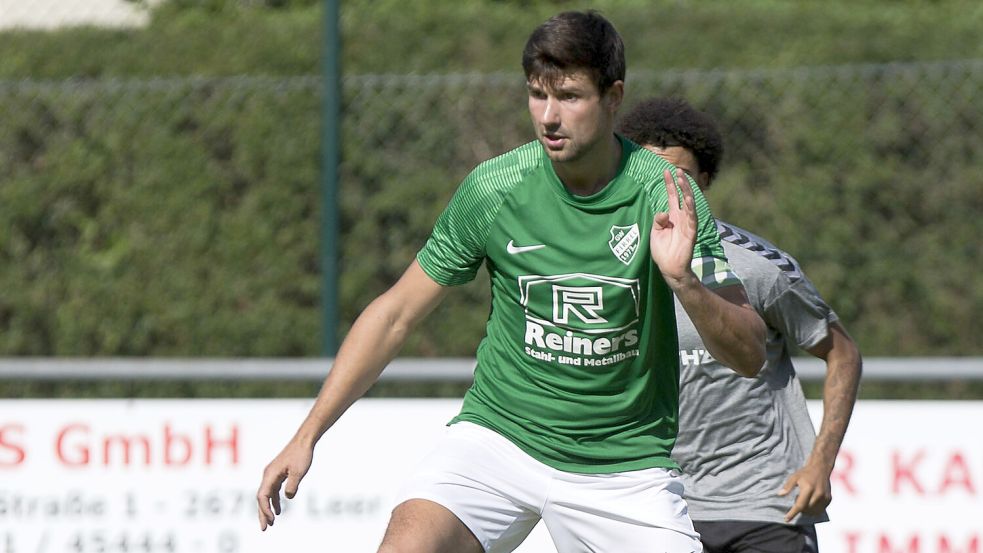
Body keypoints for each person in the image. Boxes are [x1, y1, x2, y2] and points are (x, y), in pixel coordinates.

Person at [257, 12, 767, 553]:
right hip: (499, 441)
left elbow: (751, 353)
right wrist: (307, 433)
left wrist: (684, 281)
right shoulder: (495, 187)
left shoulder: (667, 195)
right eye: (536, 95)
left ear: (613, 97)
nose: (548, 116)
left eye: (569, 97)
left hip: (622, 467)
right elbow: (395, 314)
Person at [619, 96, 863, 553]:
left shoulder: (755, 267)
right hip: (657, 506)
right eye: (649, 175)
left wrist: (821, 463)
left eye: (680, 178)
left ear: (704, 182)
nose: (663, 190)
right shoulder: (600, 267)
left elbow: (842, 352)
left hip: (762, 505)